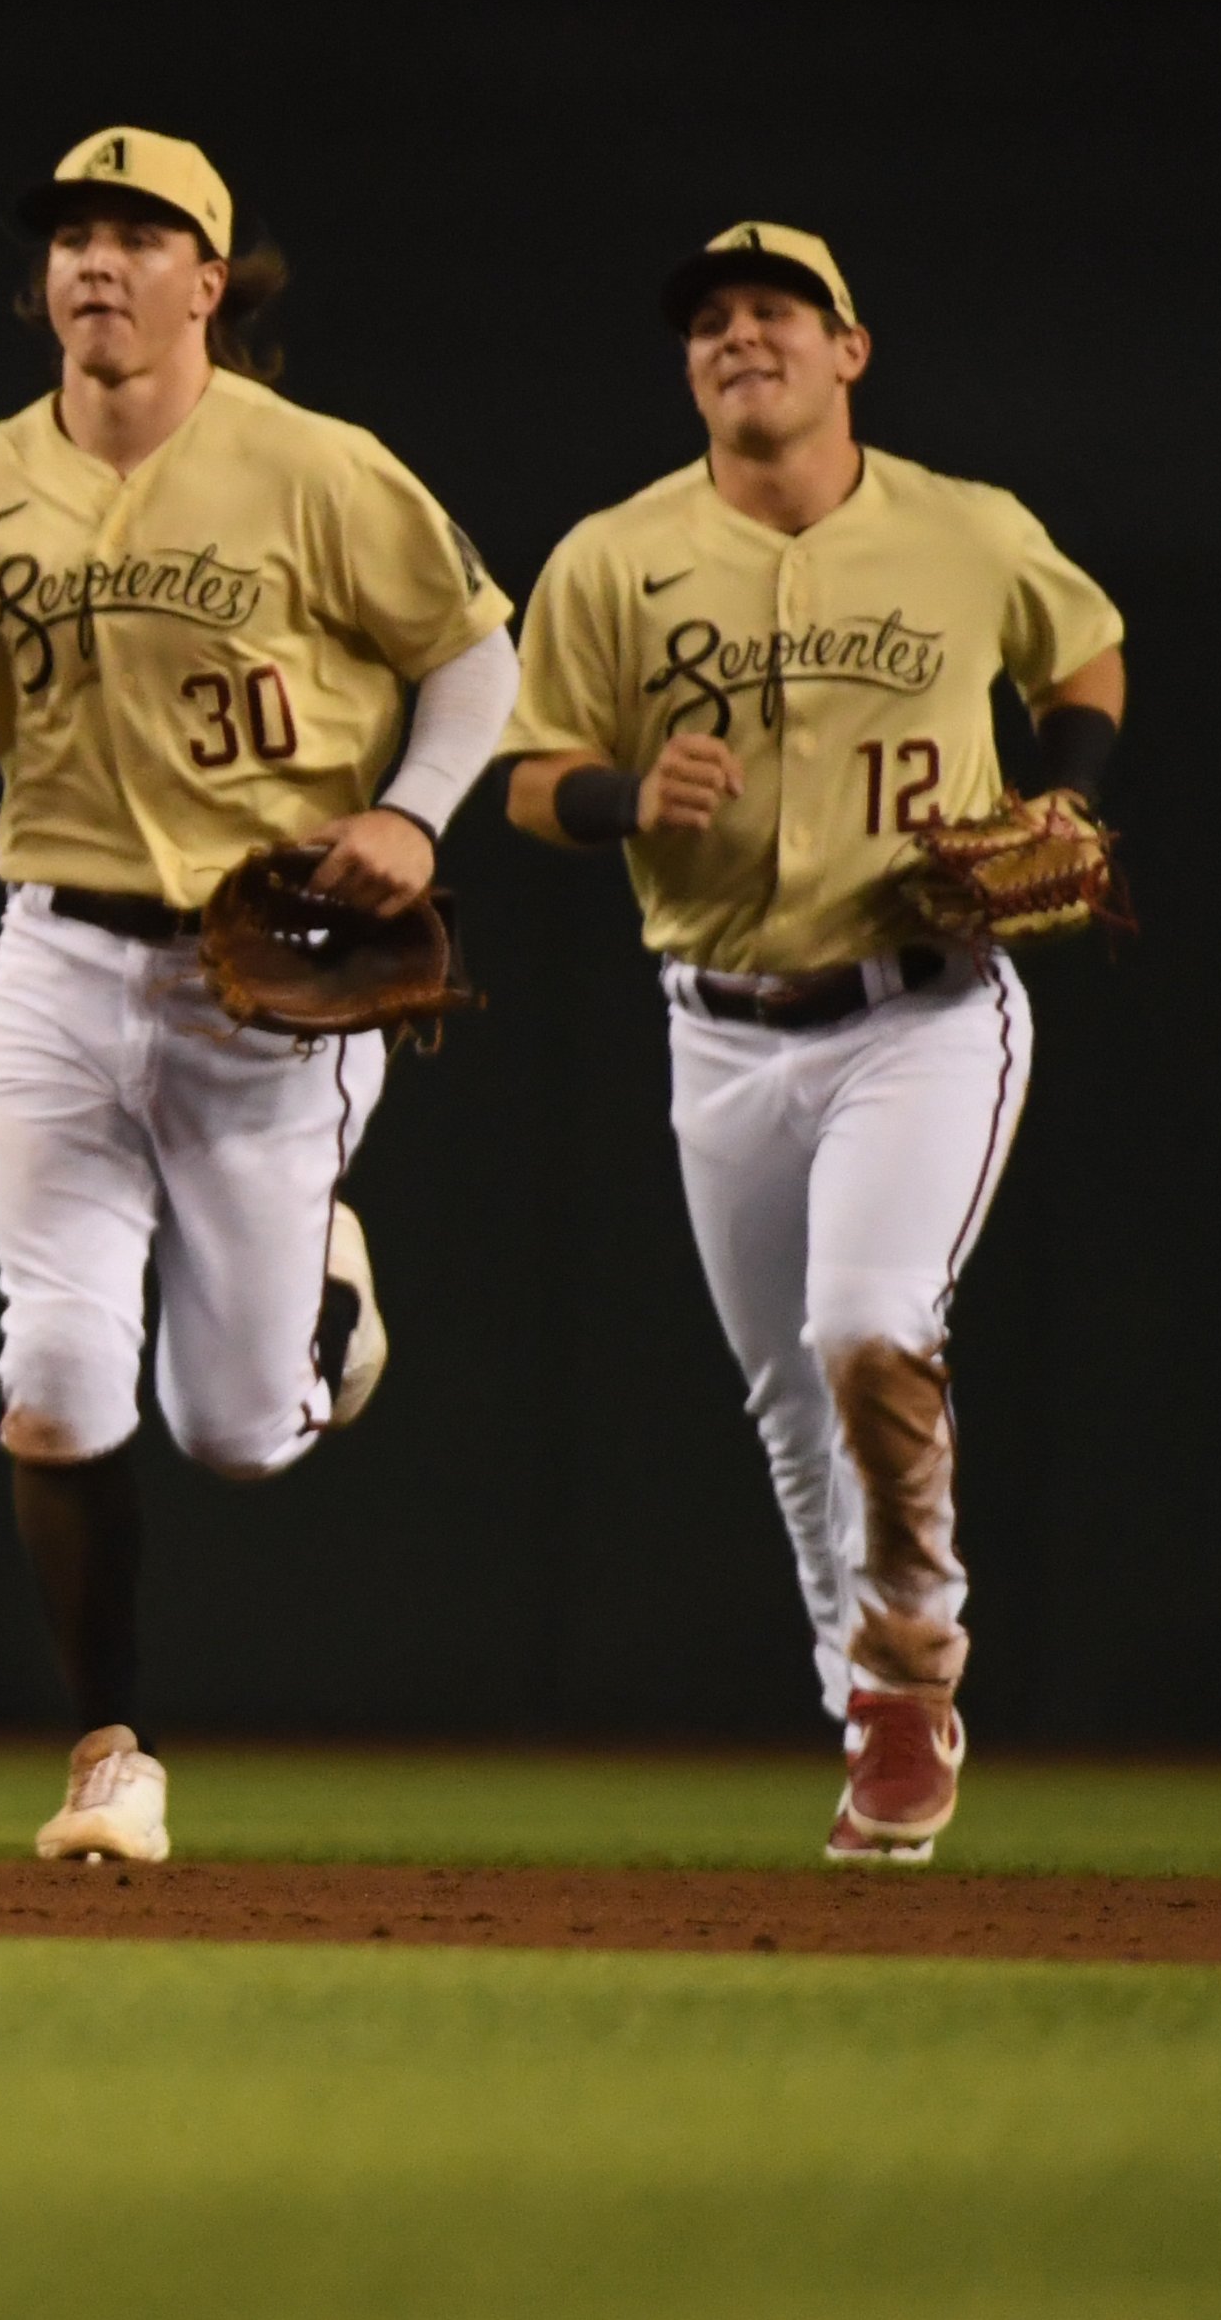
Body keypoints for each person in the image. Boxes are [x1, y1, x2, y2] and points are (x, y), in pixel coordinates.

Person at [0, 126, 515, 1864]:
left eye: (141, 235)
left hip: (275, 972)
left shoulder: (315, 465)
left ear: (208, 281)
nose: (97, 259)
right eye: (75, 234)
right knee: (59, 1370)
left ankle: (321, 1310)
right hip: (60, 956)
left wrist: (408, 813)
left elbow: (476, 653)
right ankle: (110, 1752)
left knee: (235, 1434)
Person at [499, 221, 1125, 1863]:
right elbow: (528, 773)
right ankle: (865, 1711)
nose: (739, 336)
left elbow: (1087, 650)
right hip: (718, 1032)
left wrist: (1062, 793)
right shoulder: (613, 556)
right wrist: (627, 795)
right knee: (792, 1405)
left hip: (919, 1011)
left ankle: (913, 1672)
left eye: (777, 309)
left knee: (867, 1325)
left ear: (851, 348)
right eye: (710, 319)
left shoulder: (964, 530)